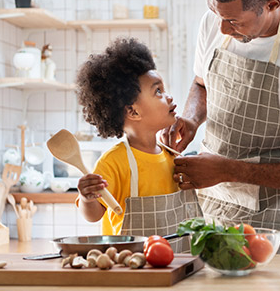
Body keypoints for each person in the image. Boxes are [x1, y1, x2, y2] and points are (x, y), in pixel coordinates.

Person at [162, 0, 280, 254]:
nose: (221, 28)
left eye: (234, 22)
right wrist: (192, 119)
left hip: (271, 225)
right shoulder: (215, 22)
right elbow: (200, 84)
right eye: (216, 14)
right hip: (210, 205)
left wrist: (228, 170)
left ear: (271, 4)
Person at [75, 37, 201, 252]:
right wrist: (87, 198)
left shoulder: (173, 156)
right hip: (132, 265)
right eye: (158, 91)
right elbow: (94, 215)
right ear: (133, 111)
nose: (169, 97)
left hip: (178, 262)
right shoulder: (114, 162)